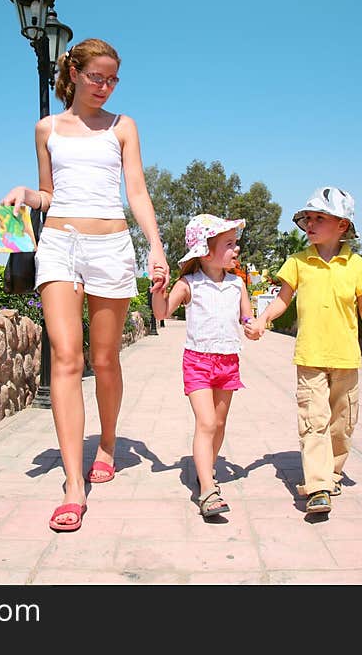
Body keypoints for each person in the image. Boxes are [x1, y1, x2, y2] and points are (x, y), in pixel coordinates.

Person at [1, 38, 169, 532]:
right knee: (67, 358)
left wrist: (155, 247)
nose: (105, 86)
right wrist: (26, 193)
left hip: (111, 246)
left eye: (113, 79)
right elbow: (48, 192)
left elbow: (135, 189)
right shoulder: (46, 128)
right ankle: (74, 484)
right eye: (96, 76)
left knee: (104, 360)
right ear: (72, 73)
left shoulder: (123, 127)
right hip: (59, 246)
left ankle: (110, 443)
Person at [245, 187, 362, 515]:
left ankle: (333, 471)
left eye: (319, 218)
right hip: (309, 357)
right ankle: (318, 485)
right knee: (314, 420)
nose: (310, 224)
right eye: (307, 218)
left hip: (346, 358)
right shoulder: (298, 262)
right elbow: (282, 299)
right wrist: (262, 319)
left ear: (342, 226)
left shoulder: (356, 265)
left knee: (343, 423)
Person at [150, 214, 256, 518]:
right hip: (198, 361)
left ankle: (205, 468)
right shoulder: (189, 283)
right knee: (206, 423)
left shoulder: (238, 284)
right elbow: (162, 313)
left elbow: (246, 318)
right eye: (229, 244)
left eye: (236, 244)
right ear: (205, 251)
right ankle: (208, 491)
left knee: (219, 425)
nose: (237, 250)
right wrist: (159, 290)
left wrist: (253, 326)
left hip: (228, 361)